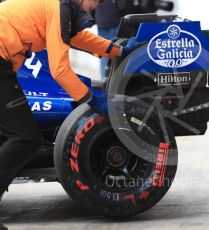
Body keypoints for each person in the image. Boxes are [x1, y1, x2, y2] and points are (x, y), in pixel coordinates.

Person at [0, 0, 141, 227]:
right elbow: (59, 69)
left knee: (13, 134)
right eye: (96, 1)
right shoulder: (59, 7)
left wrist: (117, 50)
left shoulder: (60, 6)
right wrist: (90, 99)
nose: (96, 7)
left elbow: (75, 38)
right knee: (24, 138)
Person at [94, 0, 121, 80]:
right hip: (118, 18)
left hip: (102, 18)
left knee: (105, 55)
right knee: (120, 57)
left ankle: (104, 84)